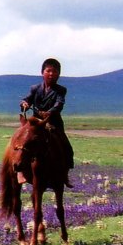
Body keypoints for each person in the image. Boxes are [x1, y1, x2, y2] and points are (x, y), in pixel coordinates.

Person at [20, 58, 74, 187]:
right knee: (21, 143)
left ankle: (64, 175)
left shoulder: (61, 90)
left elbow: (59, 104)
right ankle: (20, 171)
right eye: (48, 71)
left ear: (58, 74)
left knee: (67, 147)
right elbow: (26, 99)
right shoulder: (35, 88)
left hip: (53, 122)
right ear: (42, 72)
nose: (51, 74)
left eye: (55, 71)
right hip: (35, 123)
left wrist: (49, 112)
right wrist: (25, 103)